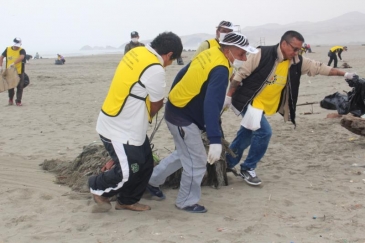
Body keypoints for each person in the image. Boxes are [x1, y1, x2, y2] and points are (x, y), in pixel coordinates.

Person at [223, 30, 356, 186]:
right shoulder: (262, 53)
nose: (296, 52)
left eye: (299, 49)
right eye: (294, 48)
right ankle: (248, 168)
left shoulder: (297, 61)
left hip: (265, 105)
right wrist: (229, 97)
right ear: (284, 43)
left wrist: (345, 74)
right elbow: (240, 75)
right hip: (249, 101)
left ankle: (226, 163)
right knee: (264, 132)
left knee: (247, 134)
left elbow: (320, 68)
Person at [145, 33, 258, 213]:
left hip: (176, 110)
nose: (244, 59)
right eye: (241, 54)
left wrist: (174, 95)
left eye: (246, 55)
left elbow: (183, 72)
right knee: (197, 161)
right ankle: (186, 201)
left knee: (184, 154)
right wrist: (214, 139)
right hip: (182, 118)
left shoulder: (211, 52)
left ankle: (151, 181)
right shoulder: (221, 69)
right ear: (228, 50)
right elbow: (211, 105)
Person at [88, 32, 183, 213]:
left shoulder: (136, 52)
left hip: (130, 124)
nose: (169, 65)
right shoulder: (155, 68)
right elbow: (156, 103)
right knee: (129, 171)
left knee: (146, 163)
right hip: (118, 127)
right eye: (172, 60)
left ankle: (127, 201)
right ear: (169, 54)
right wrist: (149, 117)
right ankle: (96, 187)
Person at [0, 37, 26, 106]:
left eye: (17, 45)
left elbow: (22, 57)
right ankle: (10, 99)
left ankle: (18, 101)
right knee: (11, 86)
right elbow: (1, 57)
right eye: (15, 45)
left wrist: (14, 63)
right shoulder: (8, 49)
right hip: (10, 71)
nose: (16, 47)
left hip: (19, 71)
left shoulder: (22, 50)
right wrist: (0, 66)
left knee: (20, 86)